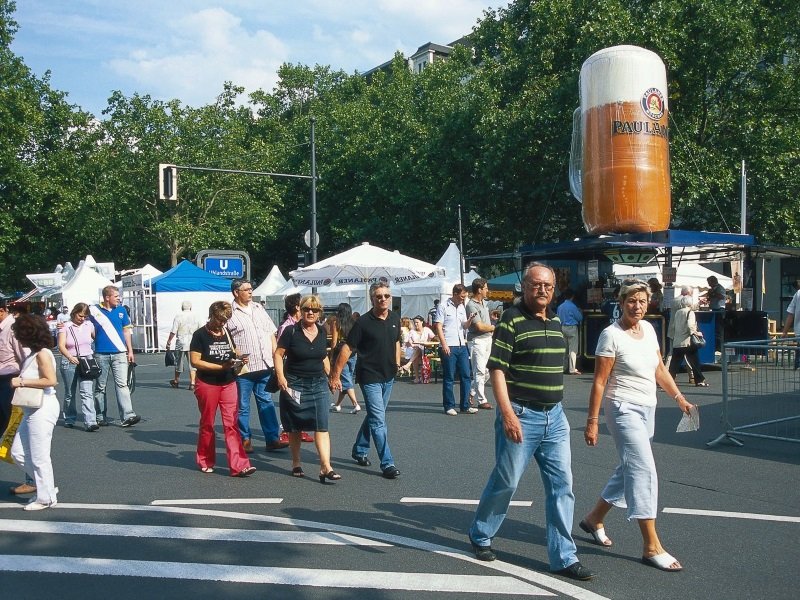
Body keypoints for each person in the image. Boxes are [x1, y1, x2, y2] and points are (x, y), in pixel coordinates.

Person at [468, 263, 594, 582]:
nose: (542, 290)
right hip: (522, 414)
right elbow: (496, 369)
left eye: (548, 286)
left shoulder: (554, 319)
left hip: (556, 417)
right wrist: (507, 413)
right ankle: (481, 534)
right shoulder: (512, 319)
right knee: (508, 481)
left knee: (562, 486)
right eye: (536, 285)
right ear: (524, 286)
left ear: (554, 289)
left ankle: (564, 556)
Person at [582, 279, 695, 572]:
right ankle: (651, 545)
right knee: (643, 470)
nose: (637, 306)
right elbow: (599, 381)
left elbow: (659, 368)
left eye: (642, 301)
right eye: (631, 301)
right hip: (622, 408)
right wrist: (592, 421)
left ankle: (594, 518)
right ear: (621, 303)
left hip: (647, 408)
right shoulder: (610, 336)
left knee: (629, 467)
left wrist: (679, 397)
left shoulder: (649, 330)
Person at [329, 282, 401, 480]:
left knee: (375, 416)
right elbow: (347, 348)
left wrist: (397, 363)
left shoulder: (395, 318)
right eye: (379, 296)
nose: (383, 299)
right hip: (369, 377)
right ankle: (387, 462)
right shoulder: (363, 323)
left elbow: (396, 341)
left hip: (388, 376)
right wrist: (335, 375)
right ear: (372, 299)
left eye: (386, 295)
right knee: (379, 420)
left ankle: (359, 449)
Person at [274, 295, 340, 482]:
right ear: (300, 311)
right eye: (306, 309)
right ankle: (296, 462)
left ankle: (325, 466)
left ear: (320, 313)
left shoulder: (320, 331)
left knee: (322, 425)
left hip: (318, 383)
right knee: (294, 426)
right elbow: (278, 355)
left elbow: (323, 357)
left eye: (315, 310)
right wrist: (280, 376)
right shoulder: (290, 331)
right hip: (294, 383)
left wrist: (332, 376)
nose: (310, 312)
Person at [189, 301, 255, 477]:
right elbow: (195, 361)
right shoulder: (200, 335)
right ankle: (205, 459)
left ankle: (239, 465)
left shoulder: (226, 332)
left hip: (228, 382)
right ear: (211, 315)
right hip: (207, 383)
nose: (222, 324)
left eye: (225, 320)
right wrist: (220, 367)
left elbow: (233, 351)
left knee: (231, 423)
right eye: (219, 320)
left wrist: (240, 357)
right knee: (208, 422)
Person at [226, 278, 288, 453]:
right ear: (236, 292)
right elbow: (227, 340)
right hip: (243, 369)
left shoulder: (259, 308)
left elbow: (270, 333)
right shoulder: (230, 312)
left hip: (264, 364)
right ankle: (245, 439)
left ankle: (272, 438)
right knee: (243, 406)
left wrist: (277, 359)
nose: (250, 292)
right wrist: (237, 355)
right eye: (246, 289)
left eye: (251, 289)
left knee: (266, 402)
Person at [9, 314, 60, 510]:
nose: (17, 338)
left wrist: (21, 381)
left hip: (43, 407)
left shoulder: (42, 354)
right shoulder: (34, 353)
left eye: (19, 334)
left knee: (39, 456)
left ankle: (45, 497)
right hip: (33, 408)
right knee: (18, 453)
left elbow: (51, 380)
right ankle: (45, 487)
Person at [89, 285, 141, 427]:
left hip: (119, 353)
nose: (119, 299)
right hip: (101, 353)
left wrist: (130, 351)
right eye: (116, 296)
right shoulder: (94, 310)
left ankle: (127, 416)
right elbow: (84, 324)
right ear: (107, 297)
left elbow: (126, 332)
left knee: (122, 384)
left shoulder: (122, 310)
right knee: (100, 386)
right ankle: (100, 416)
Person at [434, 284, 477, 416]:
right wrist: (444, 344)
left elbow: (464, 326)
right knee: (449, 377)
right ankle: (449, 406)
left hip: (461, 345)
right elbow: (438, 326)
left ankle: (465, 405)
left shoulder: (462, 307)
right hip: (449, 345)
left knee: (466, 375)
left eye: (465, 297)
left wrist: (469, 320)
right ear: (455, 294)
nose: (463, 299)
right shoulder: (443, 306)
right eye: (461, 297)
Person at [56, 303, 99, 430]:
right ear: (74, 313)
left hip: (87, 361)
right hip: (70, 360)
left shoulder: (89, 325)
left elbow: (97, 338)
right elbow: (61, 346)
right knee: (70, 392)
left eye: (85, 316)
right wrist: (70, 357)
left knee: (87, 392)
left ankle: (90, 422)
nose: (82, 318)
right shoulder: (65, 327)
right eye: (80, 315)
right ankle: (69, 418)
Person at [466, 278, 495, 409]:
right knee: (479, 371)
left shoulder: (484, 303)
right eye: (486, 288)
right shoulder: (471, 305)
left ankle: (471, 392)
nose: (487, 290)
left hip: (488, 339)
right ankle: (481, 400)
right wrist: (495, 327)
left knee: (488, 370)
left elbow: (485, 324)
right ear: (479, 290)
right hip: (477, 340)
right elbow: (479, 326)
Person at [668, 295, 708, 387]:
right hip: (688, 341)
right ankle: (699, 380)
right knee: (695, 362)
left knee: (674, 364)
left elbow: (674, 326)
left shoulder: (678, 312)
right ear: (689, 303)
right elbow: (690, 326)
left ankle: (669, 381)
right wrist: (697, 333)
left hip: (677, 341)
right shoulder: (690, 312)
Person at [329, 303, 361, 414]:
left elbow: (334, 341)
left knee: (346, 379)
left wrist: (332, 355)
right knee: (347, 378)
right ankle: (337, 404)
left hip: (341, 352)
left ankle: (355, 404)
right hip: (353, 352)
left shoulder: (336, 322)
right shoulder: (354, 322)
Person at [166, 300, 203, 390]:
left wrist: (169, 341)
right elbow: (200, 330)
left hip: (181, 341)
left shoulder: (178, 316)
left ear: (182, 307)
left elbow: (174, 330)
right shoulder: (196, 316)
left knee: (178, 362)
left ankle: (176, 380)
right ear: (190, 307)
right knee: (193, 363)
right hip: (193, 342)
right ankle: (192, 382)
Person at [400, 315, 436, 384]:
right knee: (418, 350)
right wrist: (411, 344)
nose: (416, 324)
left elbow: (434, 338)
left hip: (426, 350)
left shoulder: (426, 329)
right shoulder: (412, 332)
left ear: (422, 322)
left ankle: (409, 366)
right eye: (414, 323)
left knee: (419, 348)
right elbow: (407, 343)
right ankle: (417, 377)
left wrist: (430, 341)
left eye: (417, 322)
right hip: (415, 350)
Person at [556, 288, 583, 375]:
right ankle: (572, 369)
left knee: (564, 349)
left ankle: (563, 368)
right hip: (572, 328)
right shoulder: (573, 306)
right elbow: (579, 318)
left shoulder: (560, 307)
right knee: (572, 350)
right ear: (572, 296)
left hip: (562, 327)